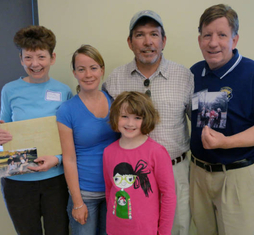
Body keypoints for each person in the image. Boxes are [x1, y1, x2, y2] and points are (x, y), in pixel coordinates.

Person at [190, 4, 254, 235]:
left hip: (236, 177)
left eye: (222, 35)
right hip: (198, 175)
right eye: (207, 35)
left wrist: (226, 142)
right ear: (199, 38)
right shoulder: (193, 74)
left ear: (235, 39)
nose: (213, 42)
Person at [102, 10, 194, 234]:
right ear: (130, 42)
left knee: (177, 227)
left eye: (154, 34)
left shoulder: (184, 76)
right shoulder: (115, 79)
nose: (147, 42)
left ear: (163, 40)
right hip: (130, 174)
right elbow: (102, 121)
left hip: (175, 169)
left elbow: (200, 123)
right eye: (140, 35)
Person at [0, 25, 72, 235]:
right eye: (28, 57)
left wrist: (57, 158)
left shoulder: (64, 91)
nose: (35, 64)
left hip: (55, 178)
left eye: (41, 56)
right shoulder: (9, 90)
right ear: (21, 58)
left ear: (52, 57)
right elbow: (4, 129)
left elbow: (70, 137)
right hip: (17, 177)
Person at [56, 44, 120, 235]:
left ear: (102, 70)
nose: (88, 74)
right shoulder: (66, 110)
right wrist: (77, 202)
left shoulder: (115, 103)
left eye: (93, 68)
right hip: (85, 195)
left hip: (114, 191)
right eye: (81, 69)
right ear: (74, 73)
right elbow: (68, 159)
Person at [103, 91, 176, 235]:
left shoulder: (157, 152)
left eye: (137, 117)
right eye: (124, 116)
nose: (130, 123)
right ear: (115, 117)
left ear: (146, 119)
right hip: (115, 229)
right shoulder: (108, 152)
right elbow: (109, 190)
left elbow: (168, 195)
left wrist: (163, 232)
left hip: (146, 230)